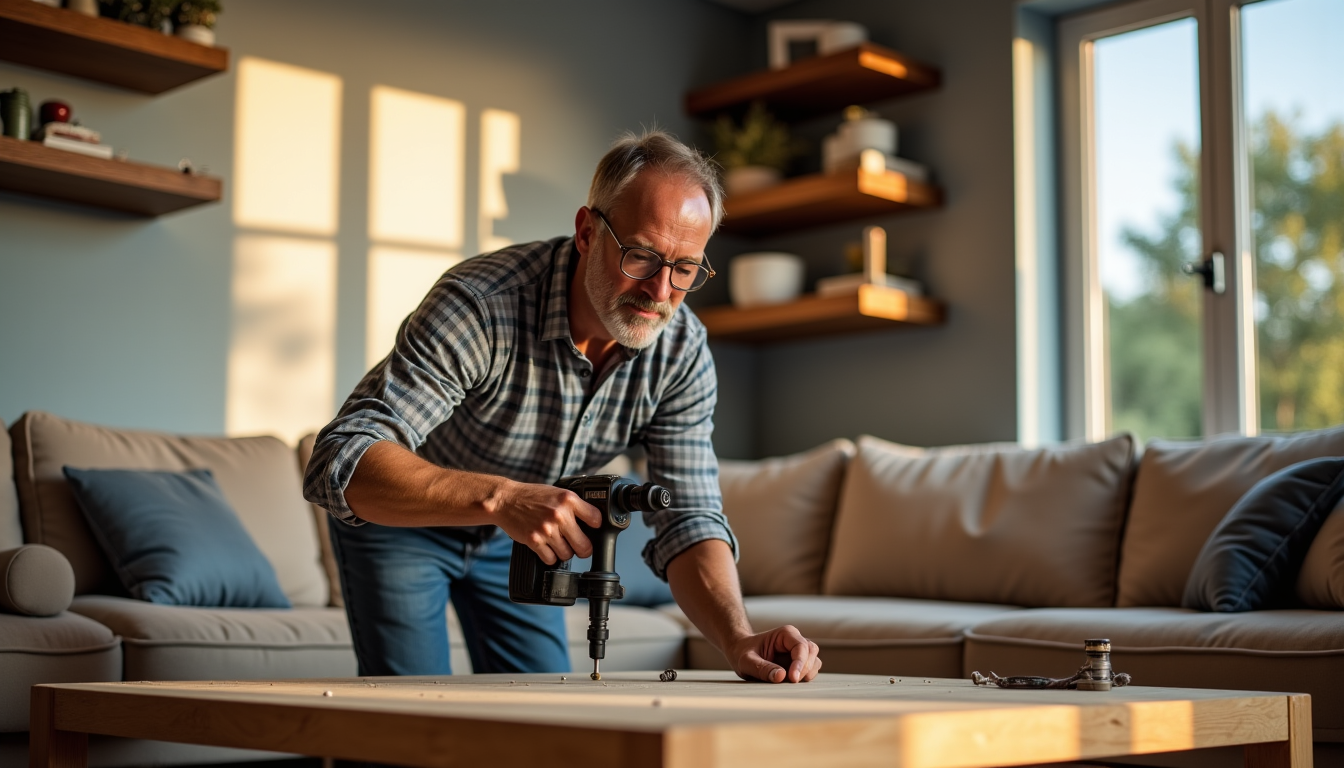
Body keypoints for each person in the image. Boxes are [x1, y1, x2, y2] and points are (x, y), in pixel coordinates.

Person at [303, 129, 821, 684]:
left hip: (525, 536)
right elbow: (340, 460)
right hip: (406, 521)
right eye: (642, 257)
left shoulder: (681, 349)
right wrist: (501, 497)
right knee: (409, 717)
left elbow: (688, 517)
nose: (660, 291)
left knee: (546, 716)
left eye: (685, 269)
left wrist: (738, 639)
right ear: (586, 232)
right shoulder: (483, 306)